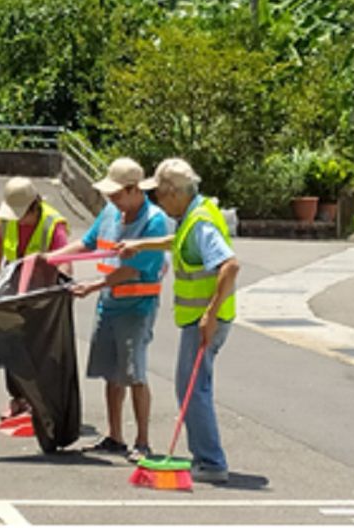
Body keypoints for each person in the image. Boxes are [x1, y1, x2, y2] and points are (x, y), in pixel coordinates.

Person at [117, 158, 239, 484]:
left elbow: (230, 265)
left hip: (204, 320)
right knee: (192, 385)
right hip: (200, 318)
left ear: (173, 192)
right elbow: (179, 242)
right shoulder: (191, 217)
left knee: (192, 387)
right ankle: (205, 458)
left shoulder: (199, 221)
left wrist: (210, 315)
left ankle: (211, 463)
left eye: (158, 194)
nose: (157, 201)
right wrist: (142, 244)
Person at [51, 157, 170, 462]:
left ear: (134, 189)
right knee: (111, 374)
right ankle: (114, 436)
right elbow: (88, 243)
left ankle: (142, 441)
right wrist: (50, 257)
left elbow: (131, 270)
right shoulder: (110, 212)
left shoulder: (154, 221)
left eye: (117, 194)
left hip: (137, 308)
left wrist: (92, 286)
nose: (112, 200)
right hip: (110, 304)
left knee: (135, 373)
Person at [0, 176, 71, 419]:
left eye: (22, 213)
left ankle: (39, 401)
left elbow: (64, 261)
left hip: (42, 292)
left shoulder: (52, 223)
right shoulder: (4, 218)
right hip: (12, 289)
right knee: (12, 345)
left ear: (35, 207)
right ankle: (18, 399)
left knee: (40, 350)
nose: (17, 219)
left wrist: (60, 291)